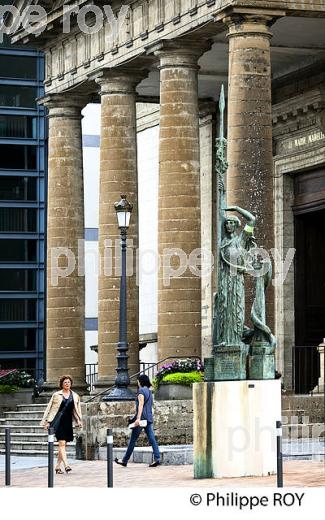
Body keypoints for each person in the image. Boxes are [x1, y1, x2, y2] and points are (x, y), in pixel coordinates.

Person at [115, 374, 161, 468]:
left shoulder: (141, 391)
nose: (137, 383)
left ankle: (124, 460)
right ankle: (157, 458)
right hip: (148, 418)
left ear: (140, 381)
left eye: (138, 381)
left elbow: (140, 405)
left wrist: (138, 419)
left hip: (141, 419)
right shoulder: (149, 391)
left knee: (132, 440)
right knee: (152, 439)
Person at [40, 375, 82, 474]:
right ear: (62, 384)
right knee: (62, 443)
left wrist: (79, 420)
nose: (67, 384)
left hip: (68, 421)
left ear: (71, 384)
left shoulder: (75, 396)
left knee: (63, 445)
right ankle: (66, 465)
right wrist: (46, 422)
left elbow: (76, 410)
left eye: (68, 382)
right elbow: (49, 409)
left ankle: (57, 467)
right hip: (58, 421)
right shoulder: (56, 395)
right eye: (65, 382)